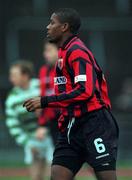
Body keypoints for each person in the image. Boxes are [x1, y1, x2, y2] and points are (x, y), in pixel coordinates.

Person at [23, 8, 119, 180]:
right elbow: (68, 94)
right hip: (71, 126)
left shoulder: (77, 51)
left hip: (94, 124)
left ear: (64, 27)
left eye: (52, 22)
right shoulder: (63, 52)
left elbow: (85, 91)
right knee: (58, 174)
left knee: (106, 177)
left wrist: (45, 101)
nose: (48, 26)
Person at [5, 60, 54, 180]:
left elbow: (54, 107)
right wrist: (27, 143)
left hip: (50, 137)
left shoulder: (40, 86)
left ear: (25, 75)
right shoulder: (12, 98)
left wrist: (45, 126)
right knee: (36, 177)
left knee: (52, 175)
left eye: (14, 75)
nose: (11, 79)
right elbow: (13, 125)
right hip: (31, 140)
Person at [38, 40, 60, 145]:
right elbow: (42, 97)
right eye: (45, 51)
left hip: (71, 119)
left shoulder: (68, 68)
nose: (45, 54)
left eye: (49, 50)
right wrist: (42, 125)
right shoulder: (43, 71)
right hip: (53, 122)